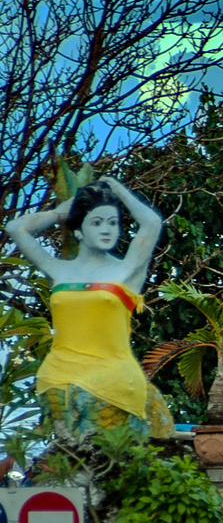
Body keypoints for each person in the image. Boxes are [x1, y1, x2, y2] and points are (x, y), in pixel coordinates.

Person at [5, 177, 176, 439]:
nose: (106, 230)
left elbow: (152, 223)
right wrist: (63, 211)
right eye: (96, 223)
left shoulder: (126, 271)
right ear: (79, 231)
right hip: (59, 380)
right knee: (69, 467)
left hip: (114, 383)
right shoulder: (58, 269)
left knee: (114, 467)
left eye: (113, 223)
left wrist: (117, 190)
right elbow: (16, 227)